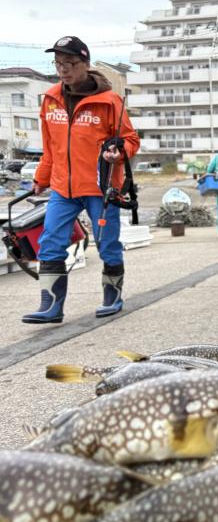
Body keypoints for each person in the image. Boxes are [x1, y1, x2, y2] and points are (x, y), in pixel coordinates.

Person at [23, 36, 139, 324]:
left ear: (85, 64)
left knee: (107, 243)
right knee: (50, 241)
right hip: (63, 188)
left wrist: (119, 153)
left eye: (70, 63)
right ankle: (51, 306)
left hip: (101, 187)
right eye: (58, 63)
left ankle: (112, 296)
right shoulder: (51, 100)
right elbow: (50, 147)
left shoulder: (110, 101)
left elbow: (130, 139)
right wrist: (41, 178)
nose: (63, 69)